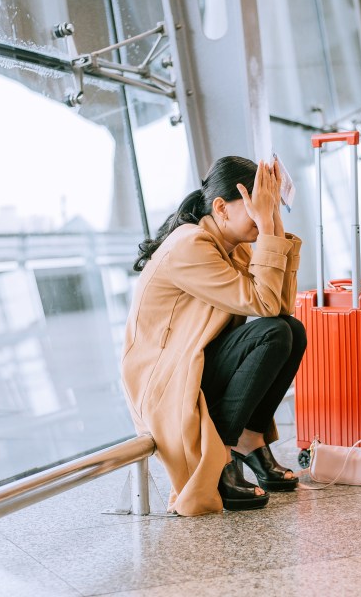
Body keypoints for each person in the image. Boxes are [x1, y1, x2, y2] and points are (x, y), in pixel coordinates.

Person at [121, 156, 306, 515]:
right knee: (273, 334)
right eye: (256, 206)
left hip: (196, 363)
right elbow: (266, 304)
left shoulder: (228, 245)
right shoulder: (190, 244)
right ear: (221, 207)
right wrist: (268, 228)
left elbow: (281, 306)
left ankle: (249, 439)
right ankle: (219, 457)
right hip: (166, 381)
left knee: (290, 331)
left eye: (267, 206)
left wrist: (274, 226)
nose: (262, 214)